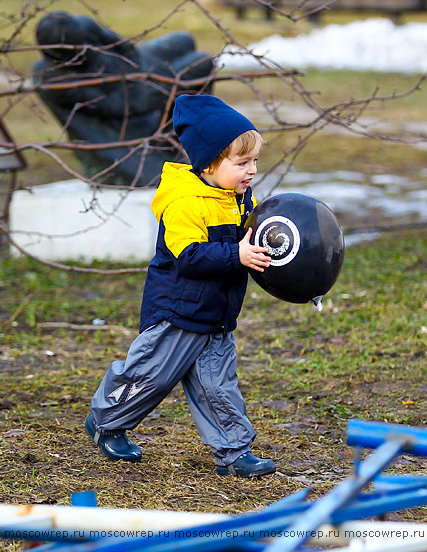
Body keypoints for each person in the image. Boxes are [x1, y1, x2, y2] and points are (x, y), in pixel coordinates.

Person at [84, 94, 276, 477]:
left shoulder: (237, 197)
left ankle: (234, 453)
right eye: (242, 163)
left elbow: (246, 245)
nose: (251, 170)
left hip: (217, 315)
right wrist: (236, 255)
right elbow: (188, 257)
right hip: (177, 313)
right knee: (149, 376)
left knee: (218, 386)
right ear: (210, 163)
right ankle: (106, 421)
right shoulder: (185, 202)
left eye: (254, 161)